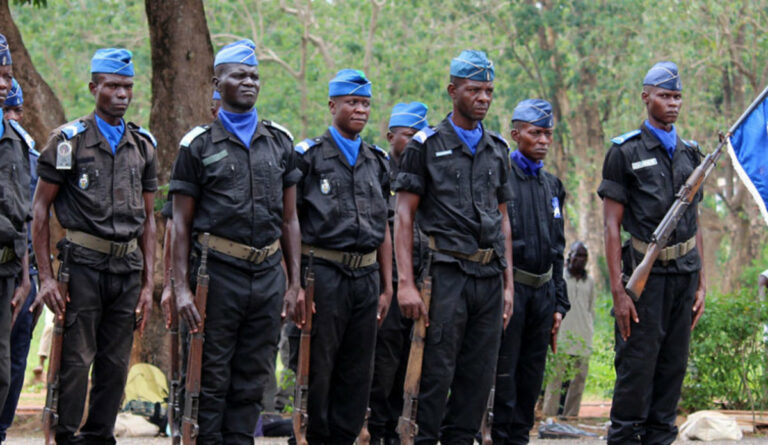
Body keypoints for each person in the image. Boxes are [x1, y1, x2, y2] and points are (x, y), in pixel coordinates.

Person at [170, 39, 302, 445]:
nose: (249, 82)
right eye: (239, 75)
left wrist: (294, 283)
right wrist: (179, 287)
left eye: (254, 76)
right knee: (211, 377)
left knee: (251, 378)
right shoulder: (197, 145)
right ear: (217, 81)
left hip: (266, 277)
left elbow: (290, 219)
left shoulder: (280, 142)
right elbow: (179, 222)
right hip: (217, 275)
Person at [31, 48, 157, 445]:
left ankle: (99, 436)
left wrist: (149, 283)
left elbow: (150, 219)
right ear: (93, 87)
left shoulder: (143, 145)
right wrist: (46, 278)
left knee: (115, 363)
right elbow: (40, 210)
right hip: (82, 264)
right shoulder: (68, 141)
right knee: (75, 359)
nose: (122, 94)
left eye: (128, 87)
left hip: (126, 268)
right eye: (113, 85)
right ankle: (66, 435)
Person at [394, 49, 514, 445]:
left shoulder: (498, 149)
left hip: (489, 277)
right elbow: (404, 215)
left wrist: (508, 284)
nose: (483, 98)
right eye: (474, 90)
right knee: (436, 373)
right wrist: (406, 284)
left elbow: (503, 219)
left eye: (489, 91)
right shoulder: (425, 145)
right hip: (445, 275)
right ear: (452, 90)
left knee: (478, 378)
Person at [597, 61, 706, 445]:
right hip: (644, 283)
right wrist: (618, 292)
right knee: (635, 378)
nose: (672, 103)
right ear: (646, 98)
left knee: (670, 377)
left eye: (677, 96)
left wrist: (701, 284)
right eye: (664, 96)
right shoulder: (624, 152)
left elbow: (695, 222)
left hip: (683, 276)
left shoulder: (692, 154)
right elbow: (611, 226)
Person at [288, 68, 393, 445]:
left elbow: (384, 227)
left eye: (365, 103)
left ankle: (344, 438)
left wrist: (386, 285)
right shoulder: (308, 157)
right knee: (319, 368)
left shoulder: (378, 161)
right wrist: (295, 283)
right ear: (332, 105)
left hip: (365, 279)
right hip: (323, 275)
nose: (360, 110)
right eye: (351, 102)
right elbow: (290, 222)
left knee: (358, 370)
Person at [491, 98, 569, 444]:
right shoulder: (501, 177)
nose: (543, 141)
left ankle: (520, 437)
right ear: (515, 134)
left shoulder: (552, 186)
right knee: (503, 376)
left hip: (543, 294)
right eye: (535, 133)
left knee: (531, 377)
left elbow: (558, 248)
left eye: (548, 134)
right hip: (512, 292)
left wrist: (558, 304)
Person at [368, 102, 430, 445]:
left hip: (423, 288)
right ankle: (376, 433)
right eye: (409, 135)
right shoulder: (377, 172)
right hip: (388, 288)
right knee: (384, 368)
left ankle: (398, 433)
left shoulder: (427, 175)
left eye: (421, 134)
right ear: (391, 136)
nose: (416, 141)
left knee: (414, 369)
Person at [0, 78, 41, 443]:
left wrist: (36, 276)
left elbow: (32, 218)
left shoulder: (27, 150)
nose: (11, 115)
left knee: (14, 359)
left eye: (16, 109)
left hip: (21, 270)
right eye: (6, 109)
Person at [542, 241, 595, 418]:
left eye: (583, 256)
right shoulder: (560, 279)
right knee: (555, 383)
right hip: (562, 338)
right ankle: (549, 419)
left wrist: (590, 335)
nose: (580, 259)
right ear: (569, 256)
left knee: (578, 384)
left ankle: (571, 419)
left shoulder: (590, 282)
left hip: (583, 338)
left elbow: (591, 310)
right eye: (577, 255)